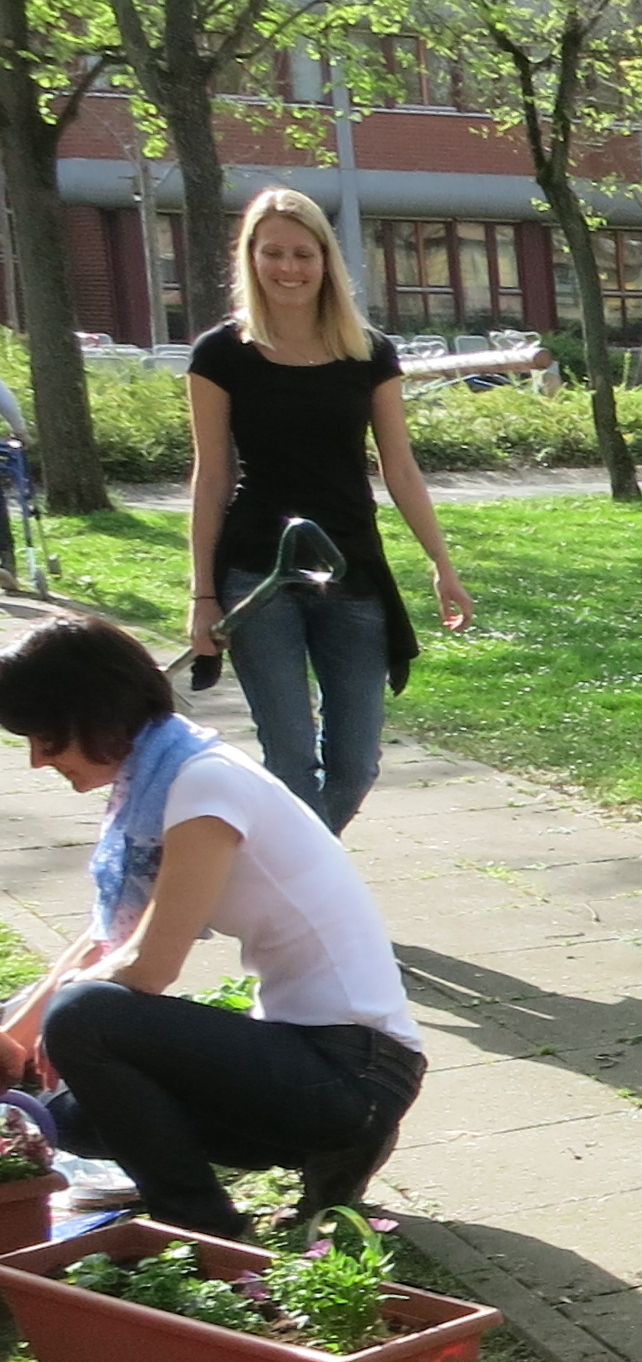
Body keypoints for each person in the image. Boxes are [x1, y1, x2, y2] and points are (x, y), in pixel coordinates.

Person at [0, 611, 425, 1245]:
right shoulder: (164, 777)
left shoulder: (204, 785)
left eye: (46, 738)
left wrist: (52, 1020)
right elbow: (108, 937)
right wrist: (13, 1036)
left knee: (82, 1016)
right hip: (308, 1060)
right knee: (69, 1114)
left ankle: (207, 1231)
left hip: (356, 1072)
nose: (38, 761)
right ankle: (325, 1156)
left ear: (93, 714)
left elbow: (149, 967)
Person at [184, 185, 479, 833]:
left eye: (303, 254)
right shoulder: (220, 354)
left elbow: (400, 466)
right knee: (290, 759)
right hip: (258, 572)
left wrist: (442, 563)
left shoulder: (368, 352)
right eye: (273, 253)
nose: (288, 268)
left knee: (356, 764)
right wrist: (202, 596)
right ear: (251, 259)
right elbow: (211, 478)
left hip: (352, 565)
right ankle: (304, 889)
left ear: (326, 260)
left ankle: (280, 874)